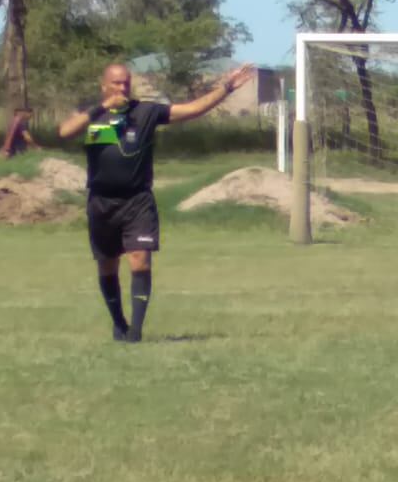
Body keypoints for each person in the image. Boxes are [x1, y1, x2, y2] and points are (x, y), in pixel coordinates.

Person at [57, 62, 255, 342]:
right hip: (101, 201)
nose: (122, 88)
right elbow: (65, 132)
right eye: (115, 83)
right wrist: (101, 108)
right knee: (108, 265)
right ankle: (119, 324)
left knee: (140, 261)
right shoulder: (93, 114)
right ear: (104, 86)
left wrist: (226, 88)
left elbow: (193, 109)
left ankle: (136, 332)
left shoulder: (145, 112)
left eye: (125, 83)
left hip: (137, 200)